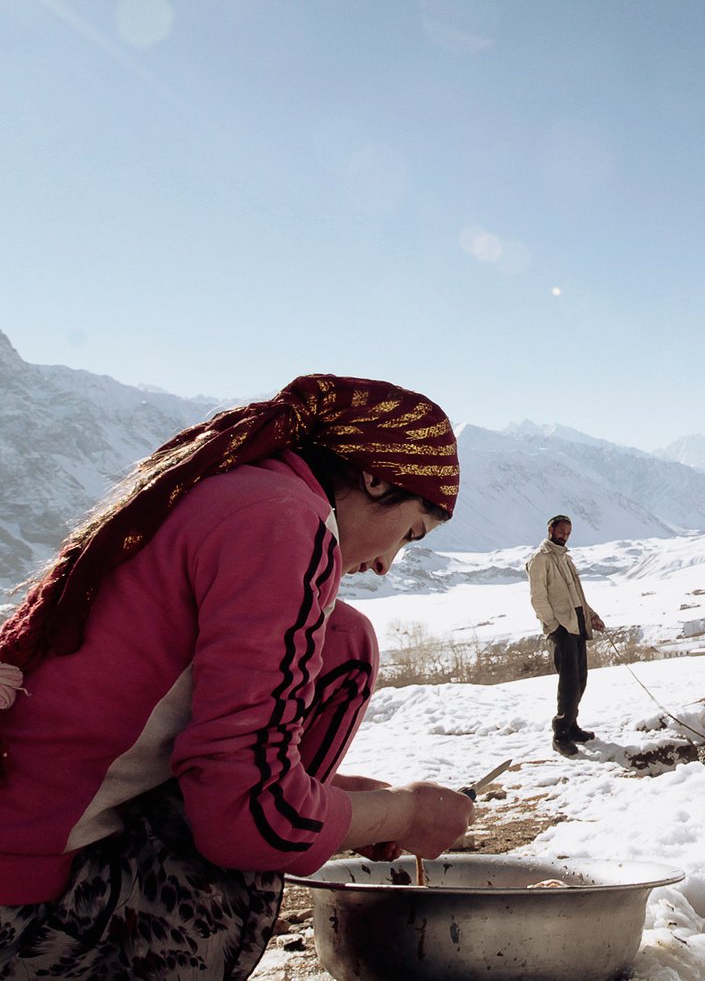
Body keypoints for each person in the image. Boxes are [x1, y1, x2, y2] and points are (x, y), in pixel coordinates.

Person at [0, 375, 475, 980]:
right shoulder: (287, 520)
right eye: (410, 533)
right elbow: (250, 816)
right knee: (348, 649)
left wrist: (348, 802)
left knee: (342, 632)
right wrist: (403, 815)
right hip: (19, 892)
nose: (386, 564)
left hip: (33, 836)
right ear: (375, 477)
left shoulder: (243, 494)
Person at [526, 513, 606, 755]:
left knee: (580, 679)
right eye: (561, 531)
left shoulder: (565, 559)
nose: (564, 536)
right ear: (550, 529)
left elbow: (577, 596)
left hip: (577, 624)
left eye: (568, 532)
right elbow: (538, 598)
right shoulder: (540, 559)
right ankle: (560, 735)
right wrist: (553, 626)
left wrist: (591, 616)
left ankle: (572, 726)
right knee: (569, 683)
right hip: (562, 628)